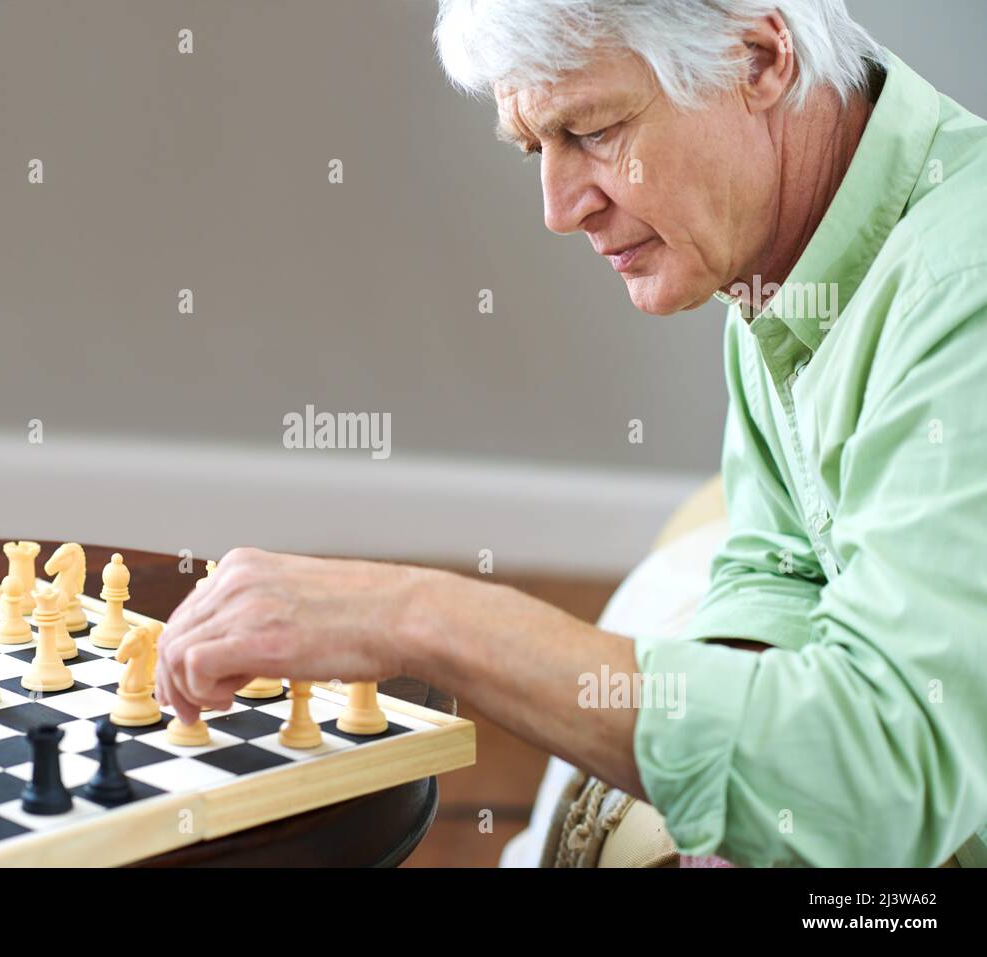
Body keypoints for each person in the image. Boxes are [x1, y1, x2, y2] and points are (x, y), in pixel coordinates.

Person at [156, 0, 987, 866]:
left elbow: (896, 773)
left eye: (591, 130)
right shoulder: (791, 239)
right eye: (533, 147)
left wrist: (416, 615)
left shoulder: (962, 291)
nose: (558, 208)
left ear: (759, 59)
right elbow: (780, 563)